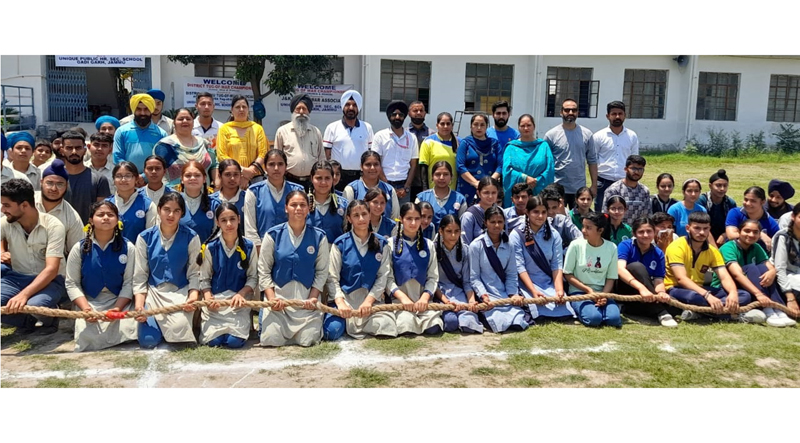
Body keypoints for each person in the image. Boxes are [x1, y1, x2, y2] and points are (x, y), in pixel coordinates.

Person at [258, 191, 329, 347]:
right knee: (271, 340)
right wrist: (271, 299)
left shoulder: (319, 237)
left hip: (306, 303)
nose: (298, 208)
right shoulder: (272, 235)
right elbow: (263, 270)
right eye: (293, 205)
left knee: (308, 340)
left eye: (302, 205)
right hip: (279, 303)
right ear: (286, 208)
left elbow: (322, 271)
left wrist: (313, 297)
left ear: (309, 208)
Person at [65, 201, 138, 351]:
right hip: (90, 301)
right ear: (91, 220)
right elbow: (72, 283)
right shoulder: (79, 248)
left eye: (110, 215)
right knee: (88, 336)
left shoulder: (128, 247)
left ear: (117, 220)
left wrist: (117, 308)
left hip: (119, 301)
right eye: (100, 214)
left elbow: (129, 282)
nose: (105, 218)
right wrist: (86, 309)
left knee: (129, 329)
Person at [133, 193, 202, 348]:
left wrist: (192, 297)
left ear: (182, 214)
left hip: (180, 293)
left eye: (177, 211)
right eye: (166, 209)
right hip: (153, 293)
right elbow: (140, 275)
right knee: (148, 340)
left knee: (179, 336)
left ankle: (179, 324)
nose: (171, 215)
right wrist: (139, 306)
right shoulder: (145, 237)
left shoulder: (191, 237)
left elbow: (194, 272)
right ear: (159, 210)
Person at [1, 179, 66, 333]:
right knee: (21, 305)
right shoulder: (6, 222)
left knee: (35, 305)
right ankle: (26, 321)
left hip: (51, 281)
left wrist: (22, 296)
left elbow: (51, 270)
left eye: (7, 205)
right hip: (16, 278)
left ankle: (49, 318)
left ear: (24, 205)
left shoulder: (54, 226)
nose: (3, 209)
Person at [327, 200, 397, 339]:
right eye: (356, 215)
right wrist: (341, 303)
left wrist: (368, 302)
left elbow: (383, 276)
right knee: (332, 331)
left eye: (364, 214)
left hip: (371, 301)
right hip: (345, 299)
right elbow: (332, 277)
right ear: (349, 218)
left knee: (387, 326)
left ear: (370, 215)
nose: (361, 219)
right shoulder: (340, 244)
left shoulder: (381, 243)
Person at [197, 203, 259, 348]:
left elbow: (253, 277)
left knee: (233, 342)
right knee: (214, 342)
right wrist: (208, 297)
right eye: (224, 220)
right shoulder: (210, 248)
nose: (229, 224)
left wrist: (241, 294)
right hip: (216, 304)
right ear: (217, 222)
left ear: (239, 219)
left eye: (232, 219)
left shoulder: (249, 247)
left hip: (238, 303)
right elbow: (204, 278)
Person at [715, 219, 795, 327]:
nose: (751, 235)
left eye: (755, 232)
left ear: (759, 235)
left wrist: (772, 272)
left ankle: (778, 310)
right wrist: (759, 294)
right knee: (751, 268)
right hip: (727, 287)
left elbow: (769, 266)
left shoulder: (756, 247)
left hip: (750, 285)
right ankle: (768, 309)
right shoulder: (728, 247)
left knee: (763, 269)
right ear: (738, 232)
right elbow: (736, 274)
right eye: (747, 231)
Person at [511, 197, 574, 320]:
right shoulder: (516, 235)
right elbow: (519, 267)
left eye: (543, 212)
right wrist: (534, 291)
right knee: (538, 312)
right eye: (535, 212)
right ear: (527, 212)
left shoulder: (554, 234)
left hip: (549, 282)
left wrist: (559, 290)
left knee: (563, 311)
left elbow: (557, 264)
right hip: (526, 283)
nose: (540, 216)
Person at [468, 205, 529, 332]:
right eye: (493, 222)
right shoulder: (476, 245)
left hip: (505, 293)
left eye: (500, 222)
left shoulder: (509, 244)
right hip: (487, 294)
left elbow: (512, 273)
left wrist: (513, 294)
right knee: (498, 321)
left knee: (517, 321)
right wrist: (483, 296)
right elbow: (474, 277)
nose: (496, 225)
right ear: (485, 223)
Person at [386, 202, 443, 335]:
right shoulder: (390, 245)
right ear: (401, 219)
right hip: (399, 302)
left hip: (424, 302)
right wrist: (403, 299)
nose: (413, 223)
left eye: (417, 218)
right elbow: (387, 278)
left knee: (434, 328)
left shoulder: (428, 245)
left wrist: (424, 298)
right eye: (409, 219)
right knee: (407, 327)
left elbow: (433, 277)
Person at [615, 216, 679, 327]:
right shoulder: (626, 245)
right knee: (637, 267)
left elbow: (659, 280)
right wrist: (642, 288)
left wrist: (661, 293)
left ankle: (628, 308)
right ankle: (661, 312)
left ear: (654, 233)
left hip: (645, 292)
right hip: (624, 286)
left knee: (674, 305)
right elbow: (620, 269)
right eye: (641, 232)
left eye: (649, 231)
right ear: (634, 234)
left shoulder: (658, 253)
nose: (645, 235)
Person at [563, 211, 621, 328]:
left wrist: (604, 295)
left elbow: (611, 277)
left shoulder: (611, 247)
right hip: (579, 292)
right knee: (594, 319)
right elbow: (568, 274)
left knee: (614, 319)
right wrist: (589, 291)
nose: (583, 231)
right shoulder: (575, 245)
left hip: (602, 292)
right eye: (583, 227)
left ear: (600, 230)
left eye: (588, 228)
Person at [244, 150, 304, 252]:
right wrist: (258, 251)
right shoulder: (254, 191)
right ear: (265, 167)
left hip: (292, 247)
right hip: (262, 248)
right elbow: (250, 227)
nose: (276, 168)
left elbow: (303, 222)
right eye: (271, 164)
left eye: (280, 164)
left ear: (286, 167)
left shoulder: (298, 191)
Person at [544, 98, 597, 208]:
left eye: (574, 110)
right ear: (561, 112)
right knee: (556, 219)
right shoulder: (551, 135)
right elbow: (545, 162)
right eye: (567, 110)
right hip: (557, 186)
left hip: (578, 187)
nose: (570, 113)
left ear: (578, 112)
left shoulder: (587, 134)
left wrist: (594, 185)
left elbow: (592, 161)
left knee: (578, 220)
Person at [434, 215, 483, 333]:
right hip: (440, 295)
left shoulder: (465, 250)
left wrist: (471, 301)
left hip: (460, 294)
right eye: (449, 231)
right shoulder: (433, 249)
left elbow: (467, 281)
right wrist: (447, 302)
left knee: (469, 324)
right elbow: (432, 281)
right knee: (451, 323)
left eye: (456, 231)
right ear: (441, 231)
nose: (453, 236)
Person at [592, 101, 639, 211]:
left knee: (624, 212)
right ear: (607, 116)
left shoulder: (632, 136)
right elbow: (593, 161)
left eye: (620, 113)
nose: (617, 116)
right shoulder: (598, 136)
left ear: (625, 115)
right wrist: (594, 184)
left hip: (625, 181)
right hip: (603, 182)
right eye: (613, 114)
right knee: (601, 214)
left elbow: (635, 161)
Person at [323, 89, 374, 191]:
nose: (351, 108)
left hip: (359, 177)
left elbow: (370, 154)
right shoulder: (332, 127)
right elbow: (326, 155)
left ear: (358, 108)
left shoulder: (367, 127)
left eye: (354, 105)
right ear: (343, 106)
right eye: (348, 104)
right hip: (338, 177)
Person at [35, 160, 84, 263]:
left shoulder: (72, 217)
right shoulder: (27, 202)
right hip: (22, 268)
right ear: (41, 182)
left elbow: (77, 253)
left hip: (56, 273)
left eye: (60, 184)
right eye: (49, 183)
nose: (54, 188)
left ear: (67, 185)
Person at [154, 108, 215, 188]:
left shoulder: (204, 143)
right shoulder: (164, 146)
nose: (185, 121)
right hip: (173, 195)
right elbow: (156, 170)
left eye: (188, 119)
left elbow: (214, 165)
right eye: (180, 119)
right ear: (174, 123)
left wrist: (216, 182)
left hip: (203, 194)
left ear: (193, 122)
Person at [275, 93, 324, 192]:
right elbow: (277, 158)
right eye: (298, 109)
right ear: (293, 111)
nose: (301, 112)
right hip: (289, 181)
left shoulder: (316, 132)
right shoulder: (282, 131)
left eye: (304, 109)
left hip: (311, 182)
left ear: (309, 112)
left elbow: (322, 159)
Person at [216, 95, 268, 189]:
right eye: (237, 107)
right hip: (231, 178)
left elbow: (263, 153)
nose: (241, 109)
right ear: (231, 110)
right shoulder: (224, 129)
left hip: (256, 178)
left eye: (244, 107)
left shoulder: (257, 128)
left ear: (248, 110)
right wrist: (242, 171)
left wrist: (249, 173)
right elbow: (221, 155)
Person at [502, 114, 554, 207]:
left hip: (539, 192)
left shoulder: (543, 146)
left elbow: (549, 169)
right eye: (522, 126)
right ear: (518, 128)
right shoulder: (511, 147)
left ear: (534, 126)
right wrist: (524, 178)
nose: (526, 128)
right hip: (518, 197)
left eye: (529, 125)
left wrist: (535, 182)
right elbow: (507, 171)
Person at [373, 100, 419, 205]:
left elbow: (413, 165)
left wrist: (406, 187)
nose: (397, 117)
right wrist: (388, 185)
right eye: (394, 114)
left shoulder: (411, 138)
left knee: (403, 218)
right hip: (383, 185)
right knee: (383, 216)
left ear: (404, 117)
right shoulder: (380, 136)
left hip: (404, 188)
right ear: (389, 116)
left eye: (400, 115)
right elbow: (376, 163)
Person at [62, 130, 111, 224]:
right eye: (69, 148)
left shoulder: (99, 179)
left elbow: (101, 212)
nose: (74, 152)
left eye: (78, 148)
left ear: (85, 150)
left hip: (87, 233)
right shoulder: (55, 178)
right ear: (62, 150)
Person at [113, 94, 169, 175]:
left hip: (152, 180)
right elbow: (117, 157)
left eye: (146, 109)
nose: (142, 113)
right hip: (127, 180)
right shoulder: (121, 131)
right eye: (138, 109)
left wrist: (143, 177)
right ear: (133, 110)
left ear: (151, 110)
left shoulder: (161, 134)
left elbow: (162, 160)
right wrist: (133, 176)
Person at [456, 113, 503, 205]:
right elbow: (460, 166)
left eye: (482, 125)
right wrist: (476, 183)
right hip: (467, 187)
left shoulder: (495, 144)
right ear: (471, 126)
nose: (479, 128)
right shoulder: (465, 143)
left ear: (486, 127)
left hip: (489, 189)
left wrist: (489, 183)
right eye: (476, 124)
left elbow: (500, 165)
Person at [106, 161, 158, 244]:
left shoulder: (147, 205)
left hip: (137, 254)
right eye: (118, 176)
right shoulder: (106, 205)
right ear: (113, 180)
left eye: (128, 176)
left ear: (136, 178)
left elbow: (151, 237)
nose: (123, 180)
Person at [343, 150, 400, 220]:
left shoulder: (389, 190)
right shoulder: (352, 189)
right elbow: (346, 218)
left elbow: (395, 219)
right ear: (361, 167)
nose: (372, 168)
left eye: (376, 164)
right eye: (368, 164)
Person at [725, 186, 781, 251]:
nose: (748, 203)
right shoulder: (735, 213)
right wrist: (760, 235)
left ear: (763, 202)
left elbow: (778, 245)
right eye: (746, 200)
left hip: (758, 257)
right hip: (734, 251)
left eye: (753, 201)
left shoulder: (771, 223)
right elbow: (731, 236)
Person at [415, 161, 466, 231]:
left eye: (446, 174)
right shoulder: (421, 198)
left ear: (451, 177)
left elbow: (463, 226)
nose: (441, 178)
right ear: (432, 176)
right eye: (438, 174)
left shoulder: (460, 199)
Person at [307, 160, 348, 243]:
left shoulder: (343, 204)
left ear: (333, 179)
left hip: (335, 253)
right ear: (312, 178)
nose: (323, 182)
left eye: (327, 178)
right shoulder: (302, 204)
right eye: (319, 178)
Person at [601, 154, 651, 225]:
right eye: (633, 168)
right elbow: (605, 215)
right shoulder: (613, 190)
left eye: (640, 169)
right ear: (626, 169)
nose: (636, 172)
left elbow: (647, 216)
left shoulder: (644, 191)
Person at [419, 112, 460, 192]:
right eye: (442, 124)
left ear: (452, 125)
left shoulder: (459, 142)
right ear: (437, 125)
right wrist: (425, 189)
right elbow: (423, 168)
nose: (445, 126)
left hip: (453, 189)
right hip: (433, 189)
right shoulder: (428, 142)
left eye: (448, 124)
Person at [178, 161, 218, 243]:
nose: (193, 178)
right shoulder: (173, 202)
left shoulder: (214, 204)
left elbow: (217, 235)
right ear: (182, 179)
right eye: (188, 175)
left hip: (206, 254)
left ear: (204, 179)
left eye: (197, 175)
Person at [772, 205, 800, 316]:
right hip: (787, 281)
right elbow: (780, 269)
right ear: (793, 217)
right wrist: (790, 298)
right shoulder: (783, 237)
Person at [697, 169, 737, 245]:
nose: (722, 189)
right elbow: (699, 224)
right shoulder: (702, 201)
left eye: (725, 186)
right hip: (703, 237)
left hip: (724, 240)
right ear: (710, 186)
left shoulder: (730, 203)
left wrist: (725, 235)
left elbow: (734, 224)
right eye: (718, 185)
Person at [540, 187, 583, 252]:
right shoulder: (533, 221)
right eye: (547, 208)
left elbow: (580, 238)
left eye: (554, 207)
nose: (550, 212)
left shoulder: (563, 220)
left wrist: (565, 252)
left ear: (559, 205)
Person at [406, 101, 435, 200]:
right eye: (415, 110)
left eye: (421, 110)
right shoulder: (404, 133)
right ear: (409, 113)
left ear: (425, 113)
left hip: (426, 183)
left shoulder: (432, 135)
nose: (418, 113)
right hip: (406, 183)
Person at [461, 177, 502, 244]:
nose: (490, 196)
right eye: (486, 193)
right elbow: (465, 244)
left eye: (494, 193)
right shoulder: (469, 216)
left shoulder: (501, 212)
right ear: (479, 193)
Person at [210, 159, 247, 230]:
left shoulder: (247, 198)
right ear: (220, 176)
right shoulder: (211, 200)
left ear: (241, 176)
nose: (232, 178)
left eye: (236, 174)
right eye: (227, 174)